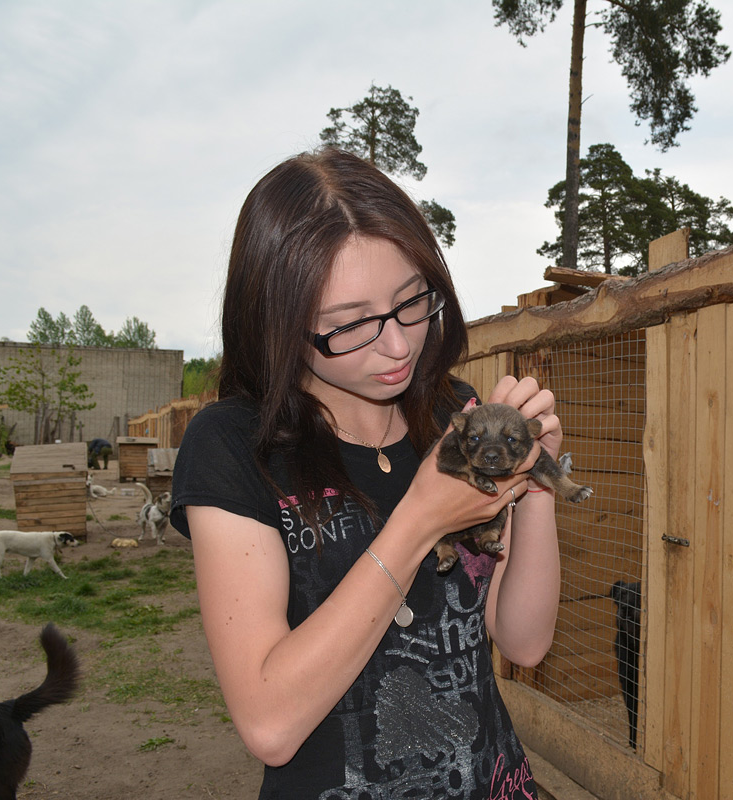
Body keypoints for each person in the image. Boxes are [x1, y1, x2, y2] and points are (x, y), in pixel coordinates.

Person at [169, 148, 561, 799]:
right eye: (351, 325)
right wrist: (419, 519)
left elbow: (523, 640)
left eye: (413, 302)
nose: (400, 345)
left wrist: (537, 481)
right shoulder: (233, 447)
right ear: (278, 327)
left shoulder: (453, 413)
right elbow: (270, 724)